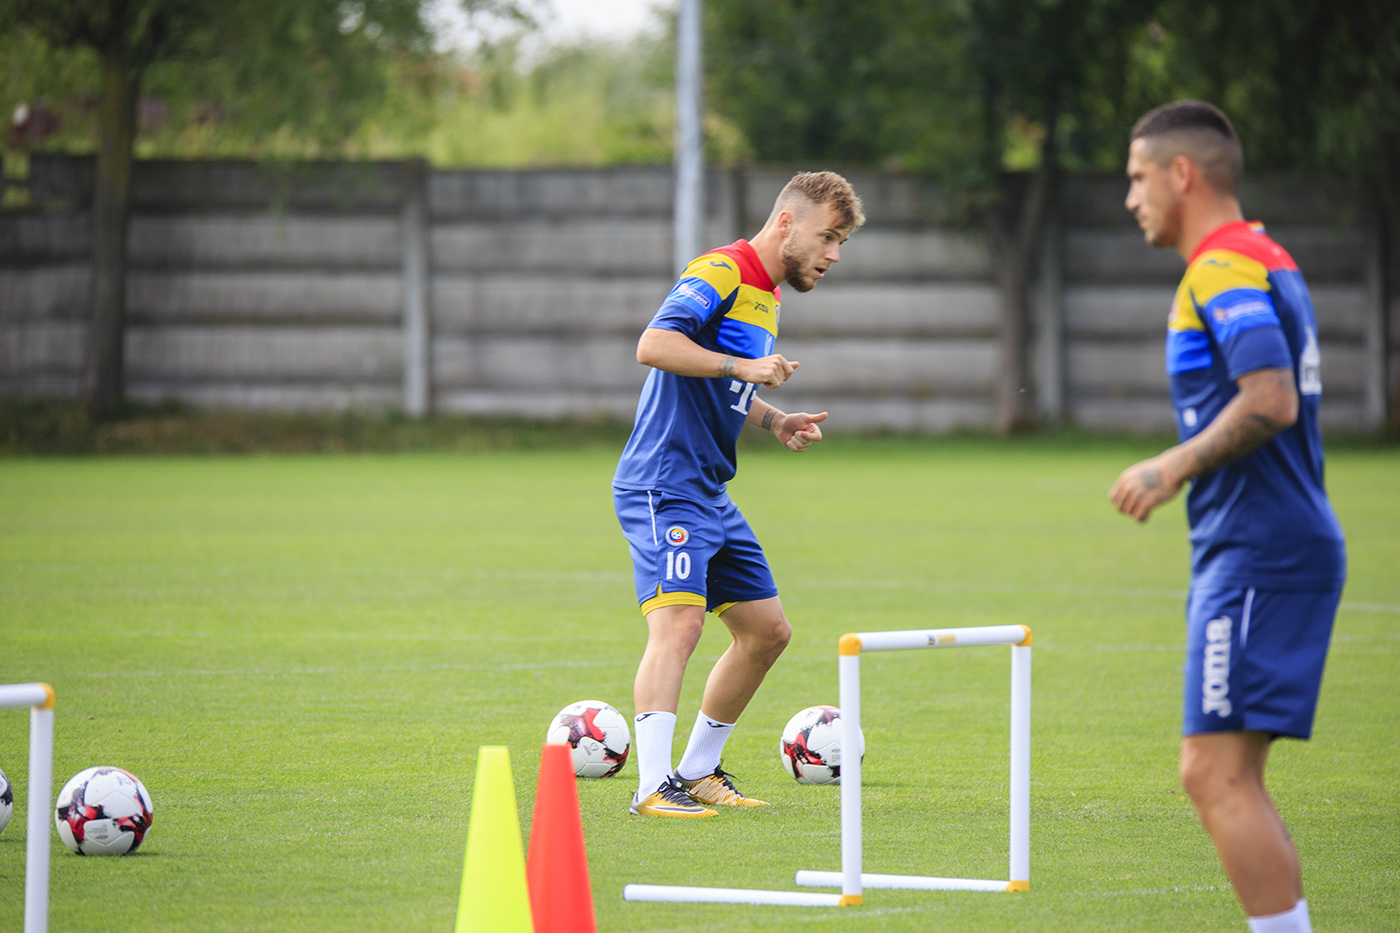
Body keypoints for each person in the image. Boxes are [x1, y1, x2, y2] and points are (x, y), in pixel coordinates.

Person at [1111, 100, 1346, 933]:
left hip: (1259, 548)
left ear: (1182, 174)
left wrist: (1170, 465)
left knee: (1213, 774)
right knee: (1227, 773)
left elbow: (1272, 398)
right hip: (1263, 543)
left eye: (1138, 177)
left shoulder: (1221, 267)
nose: (1129, 197)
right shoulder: (1266, 255)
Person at [612, 171, 865, 817]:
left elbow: (721, 385)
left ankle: (697, 770)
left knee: (767, 632)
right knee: (680, 623)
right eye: (827, 237)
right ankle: (651, 786)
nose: (834, 254)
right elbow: (654, 344)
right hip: (664, 482)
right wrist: (742, 365)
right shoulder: (721, 270)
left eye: (841, 242)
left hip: (708, 490)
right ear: (786, 223)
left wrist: (773, 418)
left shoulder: (767, 296)